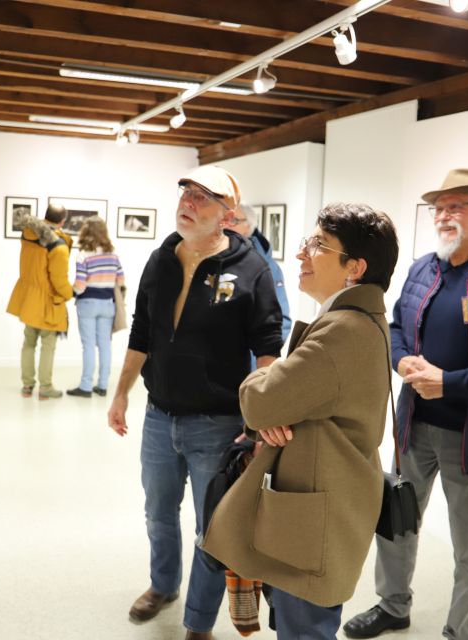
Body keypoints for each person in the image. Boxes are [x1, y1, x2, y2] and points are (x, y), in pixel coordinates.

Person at [344, 168, 468, 640]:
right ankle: (393, 606)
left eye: (456, 206)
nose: (444, 216)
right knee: (396, 523)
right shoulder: (422, 268)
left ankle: (463, 630)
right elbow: (392, 327)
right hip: (413, 425)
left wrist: (449, 382)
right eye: (439, 207)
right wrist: (401, 362)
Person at [203, 203, 400, 639]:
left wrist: (264, 381)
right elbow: (279, 404)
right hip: (321, 507)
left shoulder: (342, 332)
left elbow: (259, 403)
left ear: (356, 267)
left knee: (304, 629)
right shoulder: (353, 320)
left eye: (318, 246)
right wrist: (279, 401)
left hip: (315, 524)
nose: (301, 254)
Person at [107, 165, 284, 640]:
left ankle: (199, 624)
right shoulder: (161, 259)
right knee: (158, 512)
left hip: (218, 423)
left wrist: (259, 415)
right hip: (159, 415)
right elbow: (142, 331)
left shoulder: (251, 270)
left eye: (204, 198)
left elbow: (269, 346)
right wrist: (122, 392)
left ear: (227, 216)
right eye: (186, 193)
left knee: (214, 527)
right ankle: (163, 584)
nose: (189, 202)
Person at [6, 203, 73, 399]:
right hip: (48, 303)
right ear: (62, 221)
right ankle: (45, 388)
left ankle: (27, 386)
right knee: (48, 345)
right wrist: (70, 294)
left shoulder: (27, 234)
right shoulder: (58, 246)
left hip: (28, 299)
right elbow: (59, 280)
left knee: (28, 342)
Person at [67, 217, 125, 398]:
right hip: (108, 304)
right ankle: (102, 385)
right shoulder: (113, 256)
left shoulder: (83, 255)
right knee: (105, 346)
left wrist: (71, 292)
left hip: (87, 304)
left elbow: (81, 285)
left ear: (86, 233)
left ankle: (85, 387)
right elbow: (121, 282)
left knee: (89, 346)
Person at [227, 203, 292, 343]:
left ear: (248, 227)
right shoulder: (213, 257)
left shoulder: (265, 266)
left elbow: (281, 319)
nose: (227, 225)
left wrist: (261, 357)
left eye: (234, 220)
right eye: (225, 218)